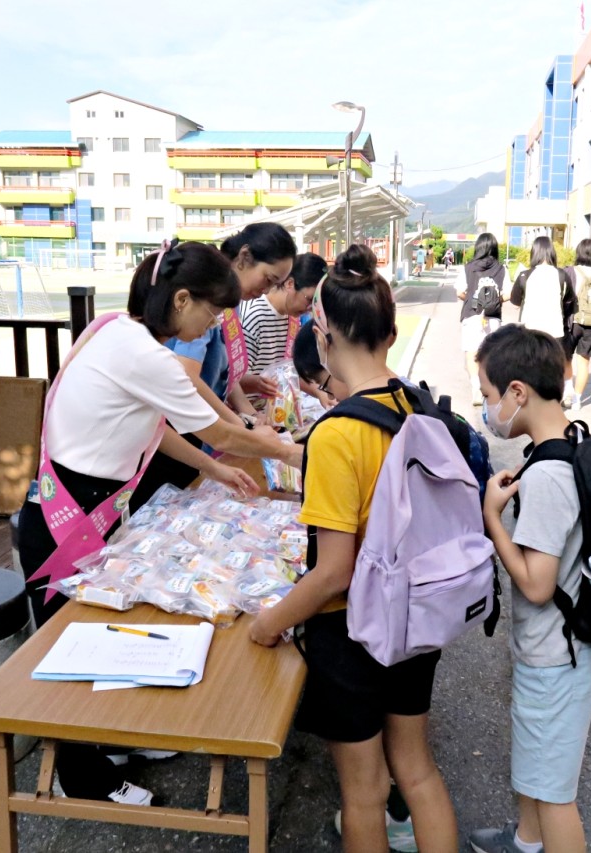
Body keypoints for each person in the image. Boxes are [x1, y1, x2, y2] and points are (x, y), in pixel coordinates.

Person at [16, 240, 304, 803]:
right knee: (72, 649)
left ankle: (119, 736)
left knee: (105, 633)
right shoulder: (145, 355)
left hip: (89, 505)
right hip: (66, 518)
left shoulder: (115, 330)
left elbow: (157, 428)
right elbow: (220, 433)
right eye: (210, 313)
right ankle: (84, 778)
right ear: (180, 299)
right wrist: (295, 455)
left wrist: (213, 472)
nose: (211, 325)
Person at [250, 244, 459, 853]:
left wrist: (269, 624)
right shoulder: (417, 404)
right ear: (391, 332)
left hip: (354, 631)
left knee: (363, 793)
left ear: (324, 335)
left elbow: (334, 571)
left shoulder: (338, 433)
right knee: (416, 771)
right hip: (416, 616)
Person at [471, 324, 591, 853]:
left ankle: (540, 836)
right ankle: (525, 842)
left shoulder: (549, 476)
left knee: (555, 795)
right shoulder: (571, 439)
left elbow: (537, 583)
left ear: (518, 392)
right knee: (536, 760)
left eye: (487, 395)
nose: (486, 407)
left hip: (556, 655)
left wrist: (492, 520)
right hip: (559, 649)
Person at [168, 222, 297, 421]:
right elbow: (187, 374)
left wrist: (251, 416)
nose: (266, 290)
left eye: (274, 284)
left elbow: (225, 376)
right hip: (186, 421)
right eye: (268, 279)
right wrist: (237, 424)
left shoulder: (231, 301)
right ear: (244, 257)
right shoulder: (210, 295)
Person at [239, 252, 325, 384]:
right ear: (290, 283)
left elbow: (287, 371)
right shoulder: (255, 317)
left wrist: (319, 392)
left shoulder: (291, 317)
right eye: (309, 300)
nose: (310, 309)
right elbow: (238, 379)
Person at [455, 232, 508, 405]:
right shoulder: (501, 269)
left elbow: (460, 292)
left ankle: (476, 388)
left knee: (472, 353)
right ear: (494, 248)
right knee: (490, 354)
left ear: (478, 247)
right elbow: (507, 294)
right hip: (493, 317)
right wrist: (493, 301)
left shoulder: (468, 267)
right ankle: (490, 388)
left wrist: (472, 299)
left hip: (472, 315)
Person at [509, 237, 576, 358]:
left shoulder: (525, 275)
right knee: (551, 372)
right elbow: (569, 300)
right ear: (552, 253)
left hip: (528, 332)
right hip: (555, 334)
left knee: (529, 370)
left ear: (534, 253)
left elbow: (515, 302)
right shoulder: (562, 275)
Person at [565, 238, 591, 408]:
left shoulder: (572, 271)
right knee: (584, 362)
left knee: (566, 359)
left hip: (573, 321)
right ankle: (577, 400)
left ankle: (567, 392)